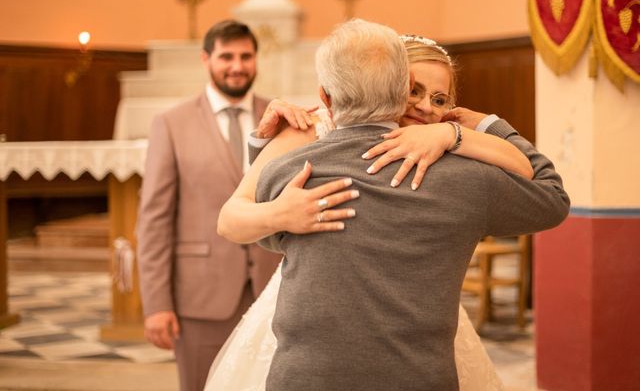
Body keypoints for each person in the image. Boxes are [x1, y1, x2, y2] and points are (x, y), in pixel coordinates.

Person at [205, 22, 569, 390]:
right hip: (346, 349)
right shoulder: (313, 135)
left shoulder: (456, 162)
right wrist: (271, 180)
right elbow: (252, 206)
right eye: (415, 91)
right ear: (397, 89)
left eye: (440, 100)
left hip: (401, 330)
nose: (425, 108)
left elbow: (266, 213)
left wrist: (455, 134)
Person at [135, 20, 283, 391]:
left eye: (246, 56)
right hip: (200, 295)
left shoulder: (282, 120)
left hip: (273, 291)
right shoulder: (171, 124)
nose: (237, 66)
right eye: (227, 56)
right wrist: (156, 304)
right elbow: (154, 220)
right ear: (206, 59)